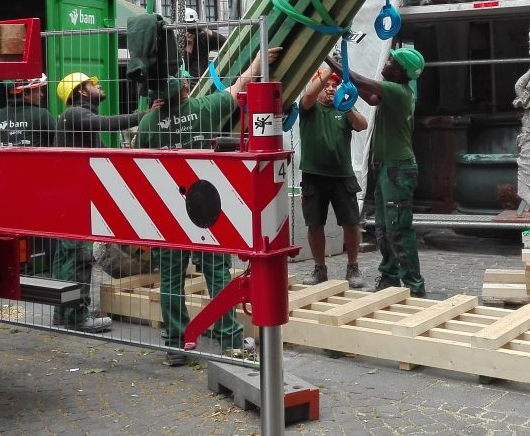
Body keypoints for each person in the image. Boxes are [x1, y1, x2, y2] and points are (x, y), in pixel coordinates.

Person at [135, 46, 282, 366]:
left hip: (168, 213)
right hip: (205, 210)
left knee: (171, 277)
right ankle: (229, 337)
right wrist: (258, 61)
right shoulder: (205, 109)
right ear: (186, 86)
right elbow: (239, 86)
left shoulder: (148, 124)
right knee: (216, 271)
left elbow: (136, 159)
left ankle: (176, 343)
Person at [51, 72, 162, 332]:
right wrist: (143, 116)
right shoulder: (75, 114)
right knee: (77, 257)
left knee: (67, 255)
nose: (98, 85)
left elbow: (103, 151)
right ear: (80, 92)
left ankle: (63, 313)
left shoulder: (80, 125)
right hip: (72, 199)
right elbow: (106, 123)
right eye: (92, 84)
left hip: (73, 197)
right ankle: (76, 316)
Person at [327, 47, 426, 297]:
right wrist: (345, 81)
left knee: (398, 229)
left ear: (400, 71)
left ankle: (415, 286)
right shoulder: (393, 92)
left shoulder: (398, 91)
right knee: (383, 227)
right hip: (387, 168)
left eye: (392, 60)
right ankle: (390, 278)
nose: (387, 61)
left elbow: (362, 81)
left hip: (397, 169)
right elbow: (369, 96)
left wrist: (330, 62)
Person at [297, 69, 369, 289]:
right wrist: (332, 66)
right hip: (313, 175)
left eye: (334, 85)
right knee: (314, 224)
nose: (330, 88)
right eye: (326, 85)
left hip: (342, 176)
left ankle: (353, 266)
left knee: (351, 223)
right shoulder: (309, 108)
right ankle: (320, 269)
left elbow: (362, 124)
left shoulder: (343, 107)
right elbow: (308, 96)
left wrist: (345, 106)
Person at [0, 74, 55, 147]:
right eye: (39, 91)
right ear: (25, 94)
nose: (42, 94)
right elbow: (58, 140)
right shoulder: (42, 115)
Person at [183, 7, 226, 81]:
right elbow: (184, 66)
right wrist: (189, 44)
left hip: (203, 80)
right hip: (187, 81)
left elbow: (224, 42)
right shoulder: (180, 40)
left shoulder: (202, 38)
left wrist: (205, 29)